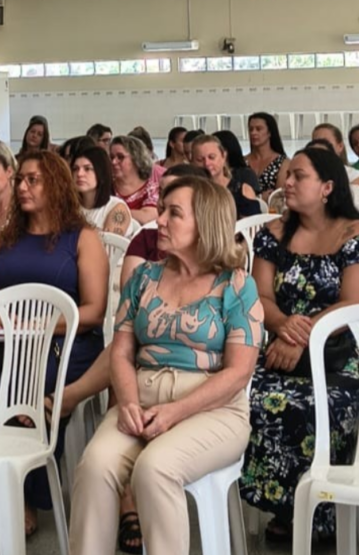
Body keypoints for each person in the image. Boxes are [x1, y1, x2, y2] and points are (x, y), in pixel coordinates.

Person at [69, 177, 262, 555]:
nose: (160, 220)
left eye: (174, 213)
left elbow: (239, 373)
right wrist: (126, 403)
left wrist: (174, 412)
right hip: (141, 399)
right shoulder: (144, 278)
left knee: (155, 469)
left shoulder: (237, 285)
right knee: (94, 467)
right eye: (162, 210)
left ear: (205, 222)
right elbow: (121, 351)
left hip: (213, 408)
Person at [239, 147, 359, 543]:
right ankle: (285, 506)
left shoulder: (358, 235)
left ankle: (324, 511)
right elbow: (260, 298)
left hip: (341, 358)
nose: (286, 183)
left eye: (297, 176)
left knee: (321, 405)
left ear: (327, 187)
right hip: (282, 351)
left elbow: (352, 303)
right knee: (250, 397)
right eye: (286, 175)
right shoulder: (273, 234)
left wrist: (301, 339)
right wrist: (285, 327)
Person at [0, 150, 108, 538]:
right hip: (8, 343)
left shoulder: (82, 237)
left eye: (34, 180)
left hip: (66, 341)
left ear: (57, 185)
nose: (23, 186)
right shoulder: (3, 239)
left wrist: (43, 326)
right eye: (21, 180)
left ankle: (25, 494)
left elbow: (95, 309)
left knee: (35, 383)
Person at [190, 134, 262, 218]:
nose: (207, 163)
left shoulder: (243, 191)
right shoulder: (188, 191)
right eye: (200, 160)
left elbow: (252, 226)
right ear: (192, 162)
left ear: (223, 156)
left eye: (212, 157)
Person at [72, 145, 133, 236]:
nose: (79, 174)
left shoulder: (117, 208)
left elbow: (108, 248)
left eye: (87, 169)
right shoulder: (69, 206)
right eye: (76, 169)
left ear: (101, 172)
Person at [111, 136, 159, 224]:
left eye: (120, 157)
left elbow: (147, 218)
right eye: (111, 157)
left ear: (137, 158)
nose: (113, 162)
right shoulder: (106, 187)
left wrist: (112, 214)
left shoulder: (152, 189)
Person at [246, 112, 289, 198]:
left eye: (258, 129)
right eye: (251, 129)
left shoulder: (282, 163)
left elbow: (280, 196)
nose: (253, 133)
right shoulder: (242, 162)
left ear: (269, 132)